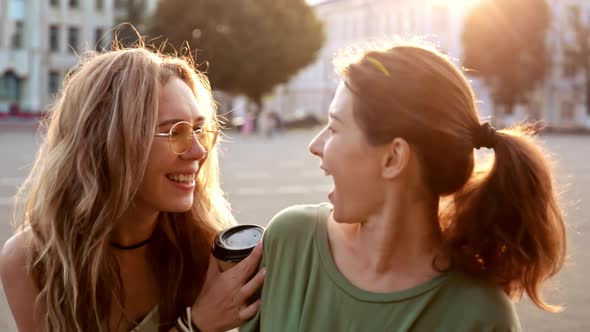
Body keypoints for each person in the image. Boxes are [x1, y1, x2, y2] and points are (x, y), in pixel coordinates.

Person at [241, 42, 567, 331]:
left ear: (393, 157)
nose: (315, 145)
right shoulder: (291, 241)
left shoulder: (480, 317)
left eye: (335, 129)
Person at [0, 44, 265, 332]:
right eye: (176, 132)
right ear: (108, 143)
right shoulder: (33, 261)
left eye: (199, 129)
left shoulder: (208, 245)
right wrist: (194, 326)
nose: (199, 151)